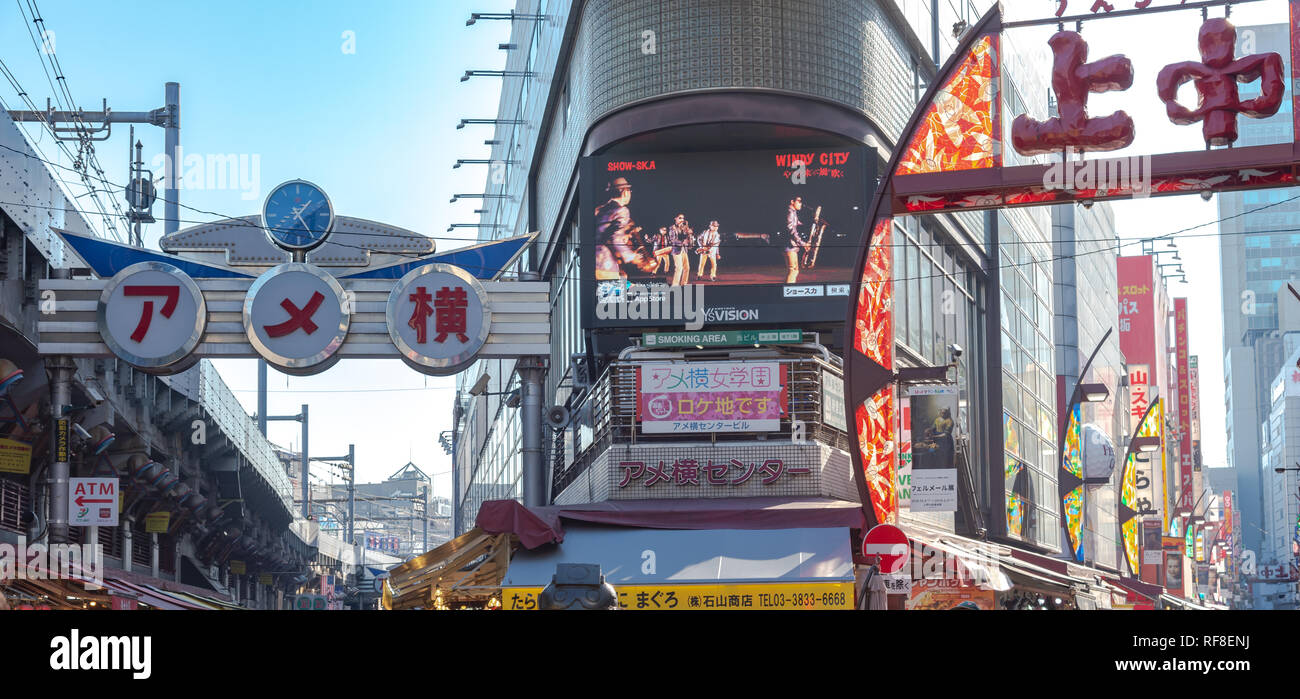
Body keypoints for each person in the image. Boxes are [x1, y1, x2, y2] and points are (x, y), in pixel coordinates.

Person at [593, 177, 654, 280]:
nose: (630, 193)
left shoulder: (599, 209)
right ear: (625, 192)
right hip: (605, 266)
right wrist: (633, 257)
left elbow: (602, 233)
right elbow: (614, 239)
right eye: (629, 190)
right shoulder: (622, 211)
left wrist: (625, 236)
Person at [784, 196, 809, 283]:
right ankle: (788, 292)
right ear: (792, 201)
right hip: (790, 245)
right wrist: (802, 243)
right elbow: (791, 229)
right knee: (792, 270)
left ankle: (789, 290)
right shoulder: (790, 212)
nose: (801, 203)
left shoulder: (793, 212)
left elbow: (796, 224)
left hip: (792, 246)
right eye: (799, 201)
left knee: (795, 271)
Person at [667, 213, 694, 286]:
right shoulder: (672, 228)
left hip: (684, 250)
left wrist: (689, 234)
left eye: (683, 218)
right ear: (675, 218)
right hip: (676, 250)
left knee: (687, 268)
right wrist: (682, 242)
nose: (682, 220)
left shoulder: (684, 228)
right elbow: (672, 240)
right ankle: (675, 285)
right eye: (680, 218)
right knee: (679, 268)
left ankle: (683, 284)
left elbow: (688, 238)